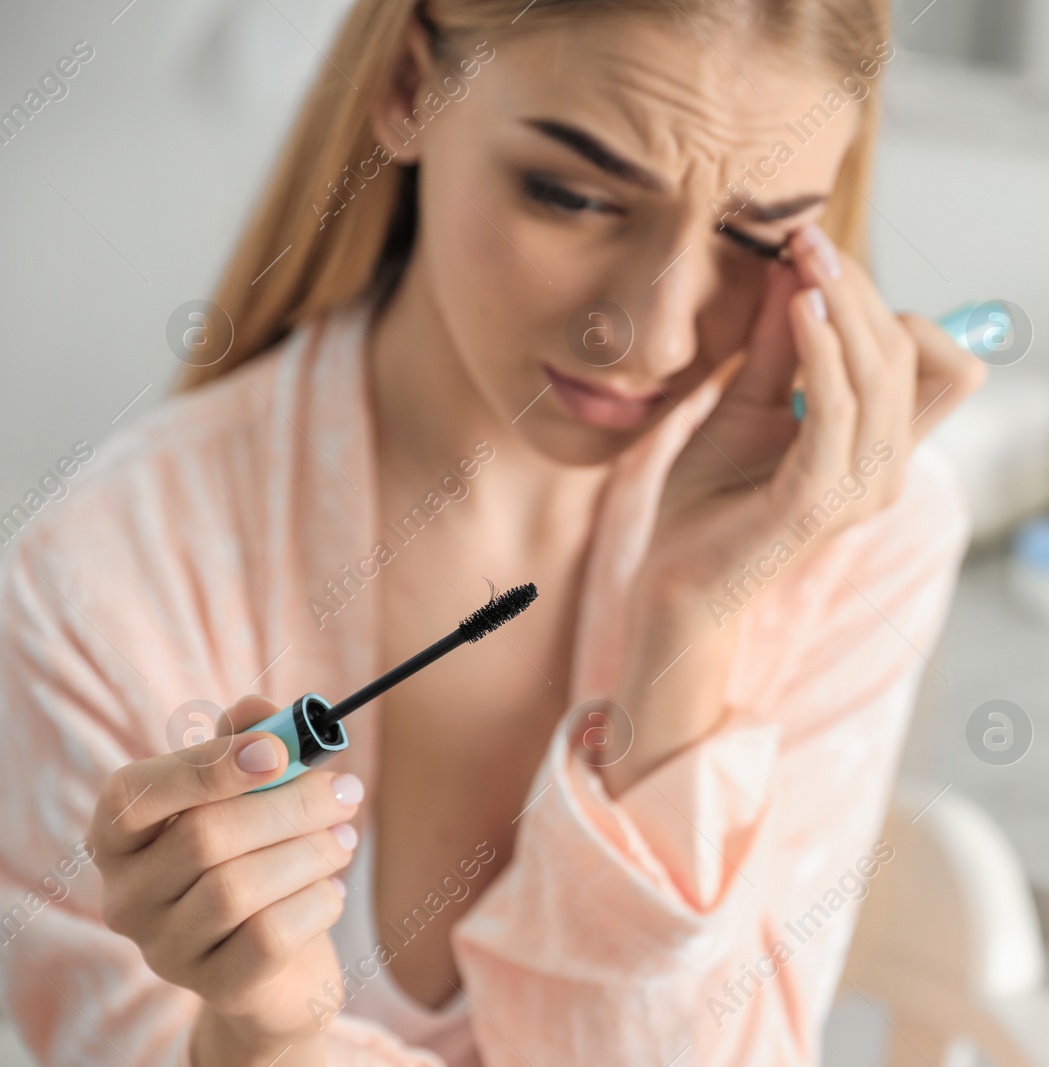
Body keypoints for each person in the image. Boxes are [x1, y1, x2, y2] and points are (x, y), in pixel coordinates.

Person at [0, 0, 982, 1063]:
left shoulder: (856, 533)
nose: (650, 334)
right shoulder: (91, 580)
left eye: (758, 235)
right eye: (573, 195)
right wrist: (258, 1030)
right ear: (410, 87)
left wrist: (687, 629)